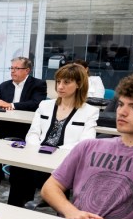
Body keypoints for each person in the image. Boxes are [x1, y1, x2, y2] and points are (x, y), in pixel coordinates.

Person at [41, 73, 133, 219]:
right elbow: (50, 187)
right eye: (121, 104)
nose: (122, 112)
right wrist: (72, 212)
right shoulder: (89, 146)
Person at [7, 64, 99, 207]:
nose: (60, 86)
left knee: (48, 174)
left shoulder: (89, 111)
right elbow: (33, 133)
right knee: (19, 169)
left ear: (79, 84)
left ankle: (48, 204)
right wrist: (37, 148)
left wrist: (55, 151)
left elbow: (86, 142)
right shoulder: (45, 105)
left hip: (64, 160)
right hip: (38, 154)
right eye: (58, 82)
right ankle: (16, 210)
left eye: (66, 82)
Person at [0, 57, 47, 139]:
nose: (12, 71)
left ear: (27, 71)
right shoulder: (4, 85)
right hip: (6, 122)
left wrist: (11, 105)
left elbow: (36, 104)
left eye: (16, 68)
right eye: (11, 68)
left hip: (27, 124)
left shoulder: (38, 84)